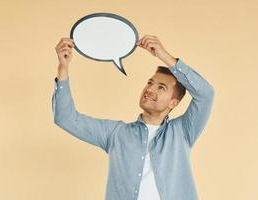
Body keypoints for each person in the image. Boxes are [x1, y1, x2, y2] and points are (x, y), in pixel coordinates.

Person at [52, 35, 215, 200]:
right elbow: (66, 119)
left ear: (173, 103)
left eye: (161, 87)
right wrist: (63, 68)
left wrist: (164, 56)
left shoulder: (182, 132)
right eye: (150, 83)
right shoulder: (116, 133)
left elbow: (206, 94)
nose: (150, 89)